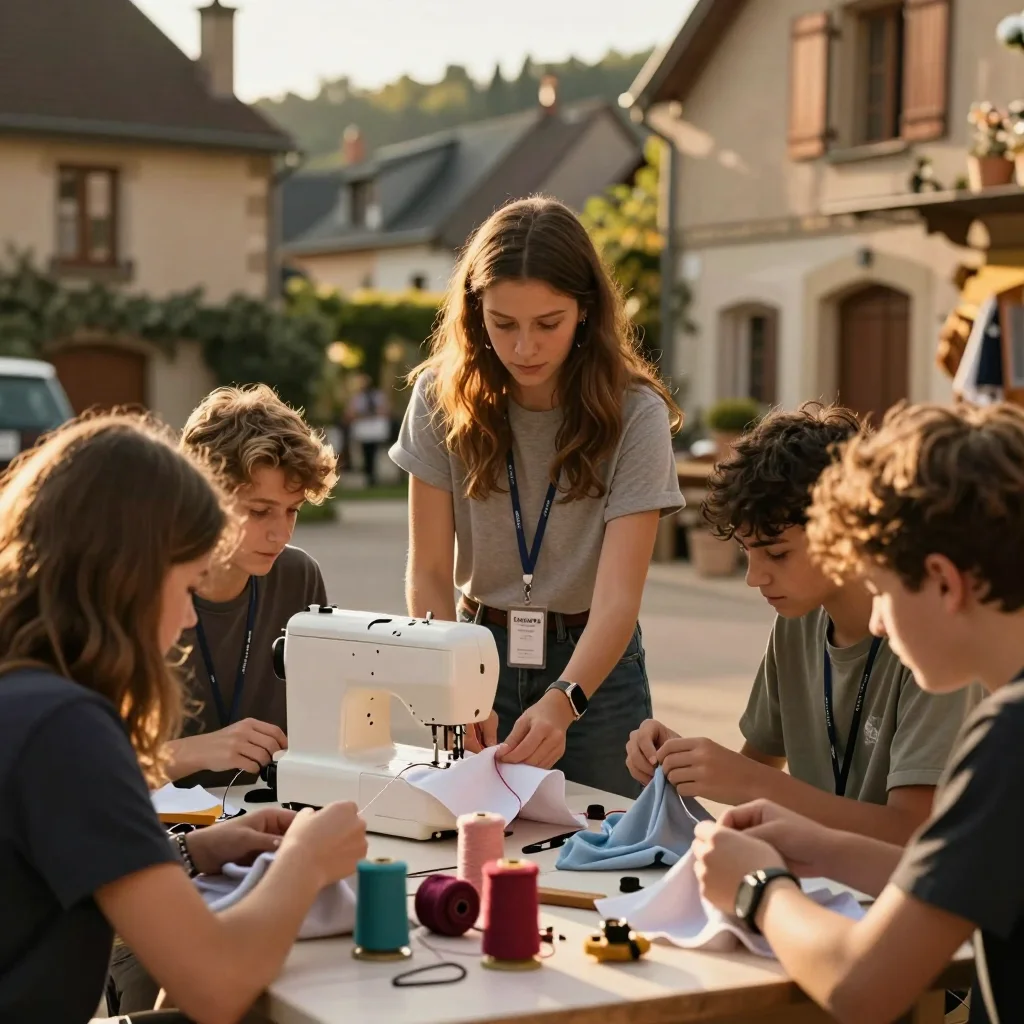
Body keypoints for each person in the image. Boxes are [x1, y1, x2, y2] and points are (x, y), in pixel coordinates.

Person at [0, 412, 367, 1024]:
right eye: (186, 582)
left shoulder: (26, 692)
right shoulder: (66, 730)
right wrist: (305, 858)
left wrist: (193, 852)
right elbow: (214, 985)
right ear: (126, 574)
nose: (191, 616)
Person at [691, 400, 1024, 1024]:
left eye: (878, 589)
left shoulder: (1010, 739)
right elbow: (959, 875)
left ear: (944, 582)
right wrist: (822, 846)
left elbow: (860, 989)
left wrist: (761, 888)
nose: (873, 620)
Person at [389, 196, 684, 798]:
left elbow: (618, 598)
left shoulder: (636, 413)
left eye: (548, 323)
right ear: (475, 314)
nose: (524, 347)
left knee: (615, 853)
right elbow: (427, 572)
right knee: (472, 841)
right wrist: (455, 684)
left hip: (596, 674)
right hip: (476, 649)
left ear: (586, 311)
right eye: (504, 324)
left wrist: (565, 700)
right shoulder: (437, 398)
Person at [625, 402, 975, 843]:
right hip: (822, 878)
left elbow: (911, 836)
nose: (754, 577)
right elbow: (756, 770)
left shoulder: (929, 643)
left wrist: (749, 782)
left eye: (777, 553)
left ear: (844, 530)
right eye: (746, 552)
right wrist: (689, 761)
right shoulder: (798, 619)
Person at [163, 384, 336, 790]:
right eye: (259, 512)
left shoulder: (299, 576)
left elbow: (326, 726)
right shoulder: (140, 584)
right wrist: (199, 751)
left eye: (292, 510)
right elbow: (85, 769)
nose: (281, 533)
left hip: (264, 815)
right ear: (203, 495)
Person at [345, 374, 392, 488]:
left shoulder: (378, 395)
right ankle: (368, 475)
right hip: (364, 428)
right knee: (365, 453)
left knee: (374, 453)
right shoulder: (358, 397)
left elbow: (384, 409)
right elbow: (352, 412)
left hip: (375, 428)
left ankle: (372, 476)